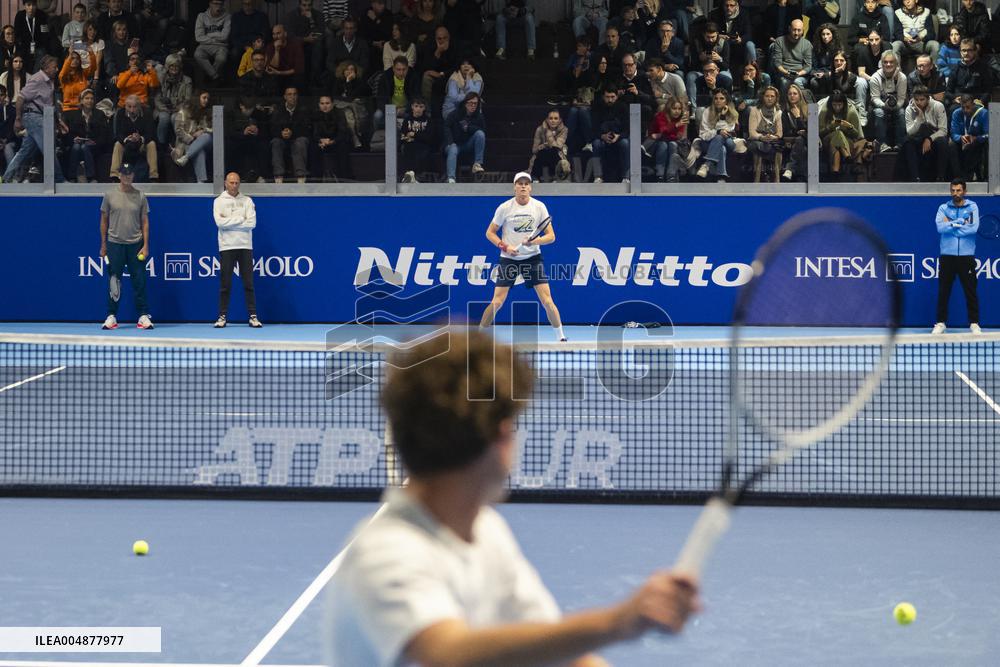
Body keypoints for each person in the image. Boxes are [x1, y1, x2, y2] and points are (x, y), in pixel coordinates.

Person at [327, 326, 701, 665]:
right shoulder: (387, 553)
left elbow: (560, 654)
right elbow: (448, 654)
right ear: (502, 437)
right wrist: (616, 622)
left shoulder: (485, 531)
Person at [478, 172, 567, 341]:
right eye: (520, 183)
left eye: (526, 183)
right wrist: (506, 247)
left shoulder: (539, 207)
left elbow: (551, 237)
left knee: (547, 301)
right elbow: (490, 233)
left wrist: (534, 242)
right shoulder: (504, 208)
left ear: (530, 187)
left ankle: (561, 337)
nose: (523, 186)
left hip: (533, 259)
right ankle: (479, 338)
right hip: (508, 259)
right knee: (497, 301)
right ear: (515, 187)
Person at [100, 162, 152, 330]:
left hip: (135, 245)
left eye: (130, 174)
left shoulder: (141, 196)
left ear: (133, 176)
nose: (127, 176)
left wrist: (145, 245)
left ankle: (143, 316)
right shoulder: (109, 195)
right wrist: (103, 244)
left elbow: (145, 222)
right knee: (114, 281)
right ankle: (111, 316)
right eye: (124, 174)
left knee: (140, 281)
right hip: (114, 244)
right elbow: (104, 221)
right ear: (119, 175)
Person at [2, 54, 65, 184]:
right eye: (54, 67)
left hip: (43, 117)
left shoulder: (49, 81)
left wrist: (58, 122)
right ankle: (59, 179)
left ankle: (7, 178)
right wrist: (18, 119)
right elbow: (20, 98)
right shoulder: (37, 79)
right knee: (48, 148)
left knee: (25, 151)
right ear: (46, 67)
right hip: (33, 117)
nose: (57, 69)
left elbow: (49, 105)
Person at [932, 179, 980, 335]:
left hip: (966, 257)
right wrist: (959, 223)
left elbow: (973, 228)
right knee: (943, 291)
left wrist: (951, 224)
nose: (955, 193)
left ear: (964, 191)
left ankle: (974, 323)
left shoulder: (972, 207)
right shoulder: (943, 207)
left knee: (970, 291)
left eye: (958, 190)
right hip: (947, 256)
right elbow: (940, 227)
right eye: (953, 190)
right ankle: (940, 322)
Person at [213, 172, 261, 329]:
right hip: (227, 246)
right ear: (225, 183)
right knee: (225, 284)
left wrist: (230, 222)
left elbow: (251, 223)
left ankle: (253, 317)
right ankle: (222, 316)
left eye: (237, 183)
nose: (234, 185)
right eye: (231, 182)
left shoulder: (247, 201)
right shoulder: (218, 201)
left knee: (248, 283)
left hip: (245, 246)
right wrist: (241, 219)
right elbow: (220, 223)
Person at [902, 84, 948, 181]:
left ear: (928, 98)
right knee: (907, 141)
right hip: (918, 137)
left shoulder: (938, 106)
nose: (919, 102)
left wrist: (930, 138)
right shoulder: (909, 109)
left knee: (942, 141)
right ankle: (915, 178)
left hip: (934, 136)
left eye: (922, 99)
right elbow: (910, 132)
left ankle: (941, 177)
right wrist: (919, 117)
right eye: (916, 100)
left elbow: (943, 130)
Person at [695, 88, 740, 182]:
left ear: (727, 100)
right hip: (707, 142)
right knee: (721, 146)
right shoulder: (707, 112)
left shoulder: (733, 113)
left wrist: (722, 117)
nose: (718, 101)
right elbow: (703, 134)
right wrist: (717, 132)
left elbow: (727, 132)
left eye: (722, 98)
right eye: (716, 98)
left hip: (728, 141)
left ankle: (707, 164)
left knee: (721, 137)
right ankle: (721, 176)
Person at [64, 87, 107, 183]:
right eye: (87, 98)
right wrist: (74, 139)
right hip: (77, 143)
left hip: (94, 144)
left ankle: (90, 176)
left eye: (91, 98)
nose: (90, 101)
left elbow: (104, 134)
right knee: (76, 147)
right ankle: (72, 177)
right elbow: (68, 134)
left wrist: (94, 142)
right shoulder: (72, 115)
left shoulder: (99, 114)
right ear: (81, 101)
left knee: (84, 147)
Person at [819, 88, 863, 177]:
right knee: (837, 133)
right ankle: (846, 155)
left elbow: (856, 135)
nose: (837, 108)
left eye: (840, 105)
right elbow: (819, 133)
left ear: (844, 104)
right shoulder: (824, 111)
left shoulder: (851, 111)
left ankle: (835, 171)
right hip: (827, 140)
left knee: (837, 139)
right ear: (831, 104)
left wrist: (849, 127)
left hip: (847, 141)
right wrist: (830, 126)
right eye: (834, 105)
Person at [444, 91, 485, 183]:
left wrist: (469, 128)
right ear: (465, 103)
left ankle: (477, 164)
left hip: (468, 144)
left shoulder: (479, 116)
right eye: (470, 103)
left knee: (480, 134)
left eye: (475, 103)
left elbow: (482, 131)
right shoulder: (455, 114)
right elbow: (446, 127)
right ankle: (451, 178)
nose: (473, 105)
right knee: (453, 149)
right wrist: (450, 142)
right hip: (454, 144)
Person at [172, 90, 213, 183]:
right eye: (204, 98)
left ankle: (186, 157)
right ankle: (201, 182)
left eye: (207, 98)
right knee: (199, 151)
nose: (206, 100)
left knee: (206, 136)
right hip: (187, 142)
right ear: (197, 98)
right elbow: (178, 130)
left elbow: (212, 129)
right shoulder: (183, 112)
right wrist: (192, 137)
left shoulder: (207, 112)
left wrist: (202, 131)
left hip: (205, 141)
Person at [948, 94, 988, 181]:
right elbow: (954, 134)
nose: (965, 110)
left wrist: (977, 138)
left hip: (978, 142)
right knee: (951, 145)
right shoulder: (957, 113)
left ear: (973, 104)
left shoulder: (983, 113)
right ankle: (958, 177)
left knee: (977, 144)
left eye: (968, 107)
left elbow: (988, 134)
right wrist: (961, 138)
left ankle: (974, 176)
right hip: (962, 141)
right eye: (963, 107)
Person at [399, 96, 436, 183]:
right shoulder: (407, 119)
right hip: (409, 145)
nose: (418, 109)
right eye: (416, 106)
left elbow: (429, 137)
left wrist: (414, 134)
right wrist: (408, 137)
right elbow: (403, 135)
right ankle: (408, 175)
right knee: (407, 148)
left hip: (423, 145)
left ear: (424, 108)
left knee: (422, 151)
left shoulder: (428, 120)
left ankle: (419, 176)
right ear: (412, 107)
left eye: (421, 107)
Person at [194, 0, 231, 84]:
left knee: (221, 58)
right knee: (198, 54)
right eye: (215, 3)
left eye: (220, 4)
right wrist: (216, 36)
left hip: (221, 46)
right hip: (205, 45)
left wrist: (209, 35)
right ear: (210, 4)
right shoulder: (202, 16)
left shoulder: (227, 16)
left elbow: (225, 36)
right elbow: (198, 37)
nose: (218, 6)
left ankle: (209, 76)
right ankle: (215, 76)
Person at [528, 109, 569, 182]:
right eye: (550, 118)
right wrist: (543, 146)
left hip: (557, 154)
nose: (553, 121)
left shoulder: (564, 129)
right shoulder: (540, 129)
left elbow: (558, 146)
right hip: (542, 154)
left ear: (560, 120)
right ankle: (535, 178)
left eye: (556, 118)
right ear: (547, 119)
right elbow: (534, 150)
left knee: (553, 151)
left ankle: (555, 177)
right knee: (542, 152)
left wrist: (548, 132)